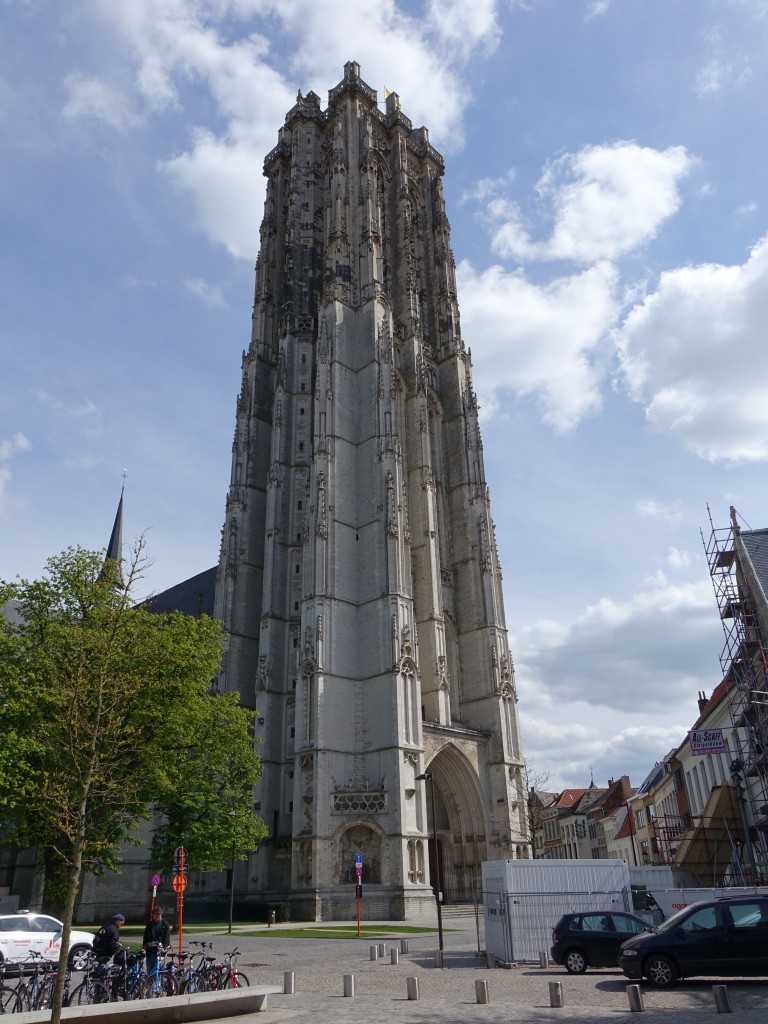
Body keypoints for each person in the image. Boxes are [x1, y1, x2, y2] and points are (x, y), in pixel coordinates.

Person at [142, 906, 171, 980]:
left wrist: (165, 947)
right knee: (150, 972)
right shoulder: (149, 924)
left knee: (158, 971)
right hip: (150, 951)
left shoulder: (165, 924)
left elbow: (166, 938)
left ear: (161, 915)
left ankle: (158, 987)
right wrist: (144, 948)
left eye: (159, 915)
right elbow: (145, 938)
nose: (157, 917)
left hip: (159, 952)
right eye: (156, 915)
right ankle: (149, 988)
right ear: (153, 915)